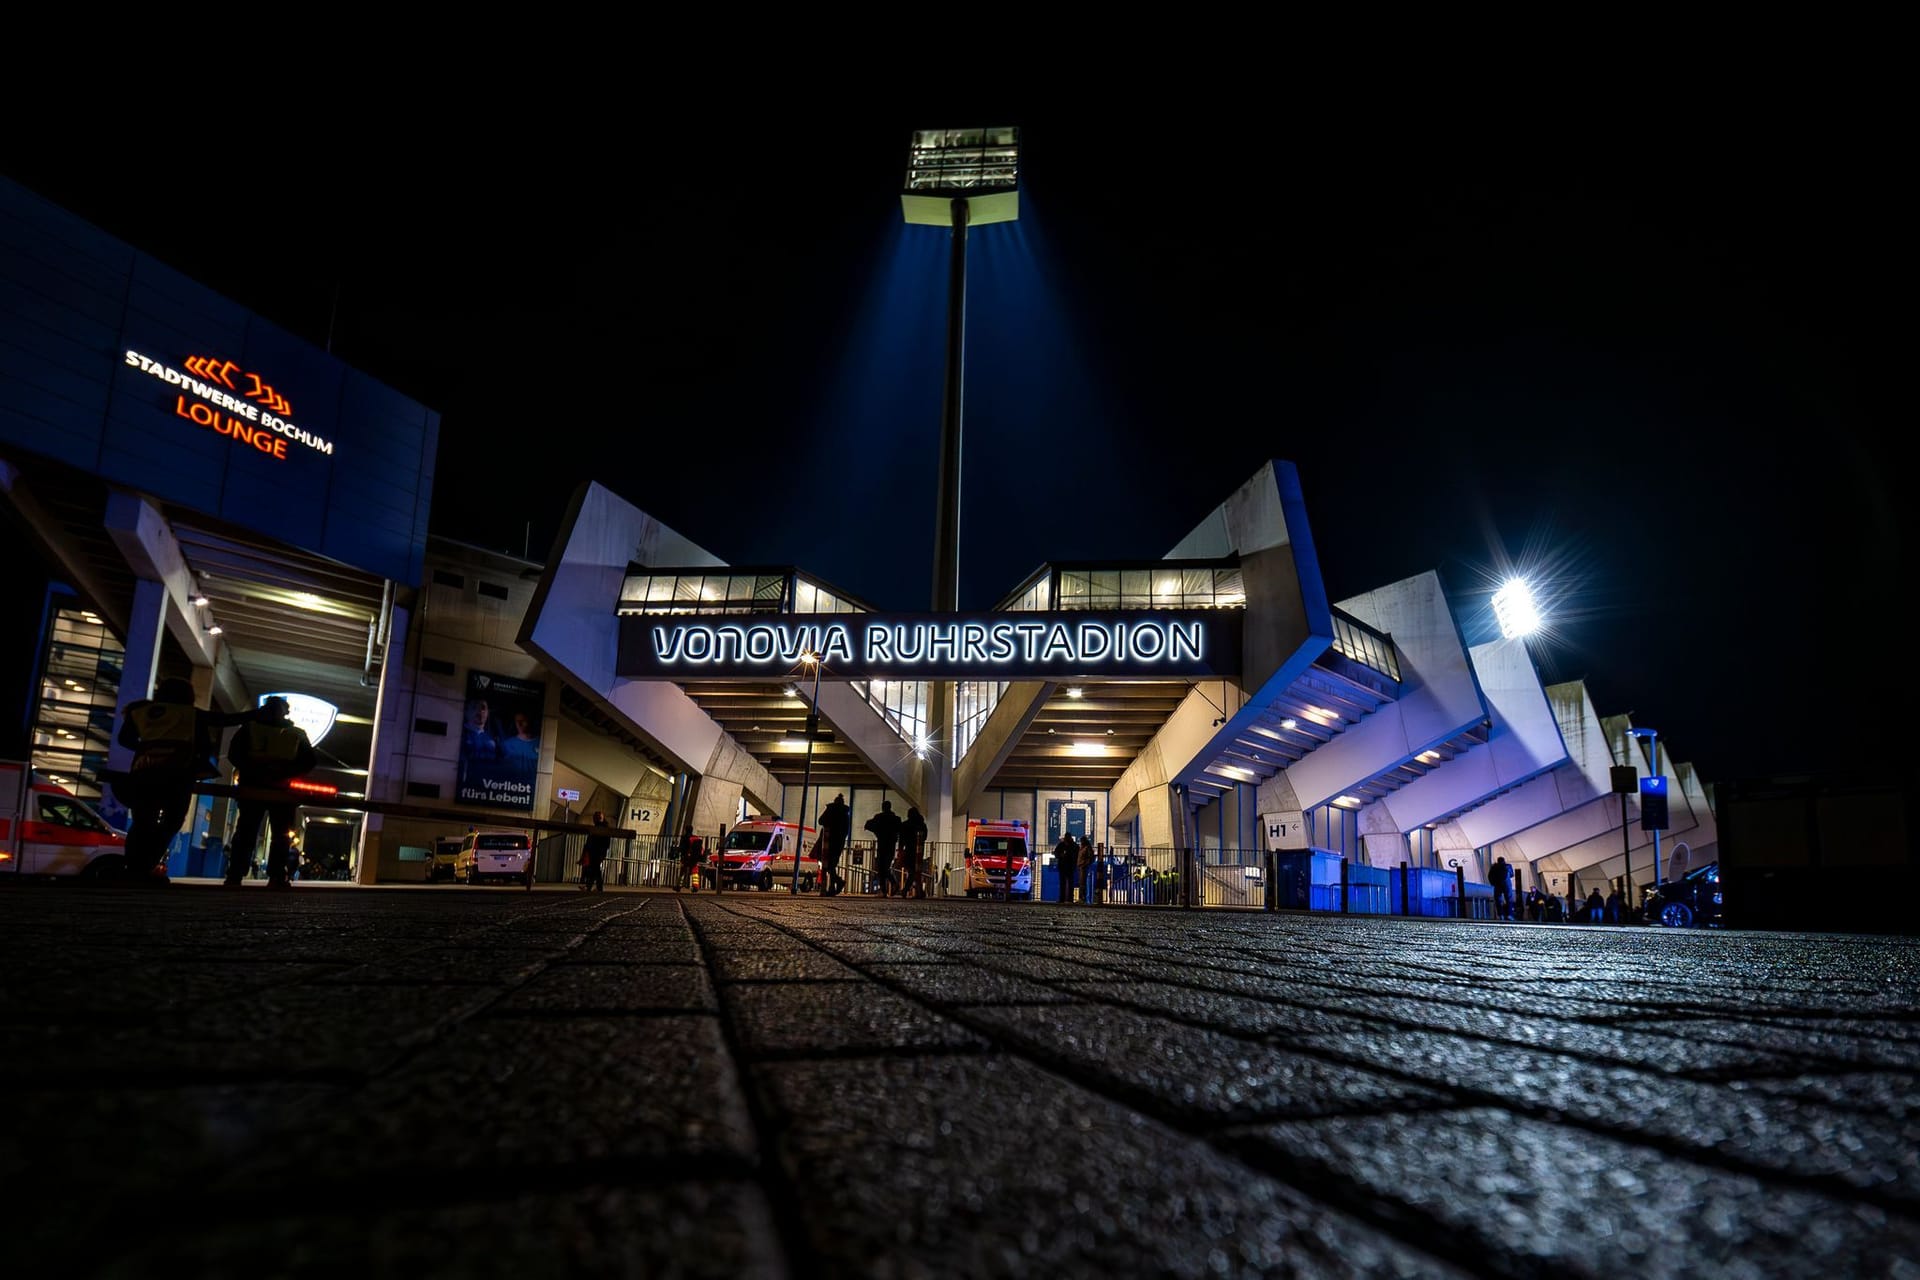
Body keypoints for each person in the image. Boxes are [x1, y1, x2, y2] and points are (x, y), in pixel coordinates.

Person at [110, 677, 247, 885]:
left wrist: (148, 747)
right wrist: (257, 714)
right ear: (188, 696)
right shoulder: (191, 715)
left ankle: (133, 868)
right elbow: (220, 725)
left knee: (141, 822)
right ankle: (145, 867)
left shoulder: (140, 711)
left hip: (143, 774)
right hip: (178, 777)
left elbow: (124, 740)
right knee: (171, 822)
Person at [225, 695, 318, 890]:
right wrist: (285, 772)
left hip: (253, 787)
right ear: (286, 711)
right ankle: (276, 876)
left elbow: (234, 754)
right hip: (282, 790)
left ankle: (235, 874)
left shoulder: (249, 728)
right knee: (281, 835)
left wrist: (253, 769)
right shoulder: (297, 734)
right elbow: (309, 761)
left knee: (246, 832)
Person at [865, 800, 902, 897]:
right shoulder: (896, 819)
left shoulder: (879, 817)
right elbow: (899, 830)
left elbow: (869, 824)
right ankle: (891, 885)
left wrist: (877, 833)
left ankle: (885, 889)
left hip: (882, 844)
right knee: (885, 867)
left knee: (882, 868)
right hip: (891, 845)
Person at [817, 793, 851, 896]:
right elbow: (846, 830)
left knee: (828, 865)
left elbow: (820, 821)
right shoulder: (845, 814)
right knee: (832, 864)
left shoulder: (831, 810)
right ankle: (834, 885)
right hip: (839, 842)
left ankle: (836, 883)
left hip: (829, 840)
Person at [899, 805, 928, 899]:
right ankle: (919, 891)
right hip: (919, 851)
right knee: (916, 872)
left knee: (912, 872)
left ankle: (908, 890)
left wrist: (900, 849)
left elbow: (902, 839)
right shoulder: (922, 825)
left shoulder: (905, 825)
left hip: (909, 850)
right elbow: (924, 837)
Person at [580, 810, 612, 893]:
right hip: (599, 851)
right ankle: (593, 886)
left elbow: (590, 841)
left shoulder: (598, 828)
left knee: (594, 869)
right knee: (595, 869)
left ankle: (591, 886)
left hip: (595, 851)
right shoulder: (605, 828)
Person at [1053, 830, 1078, 904]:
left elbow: (1056, 853)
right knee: (1068, 883)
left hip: (1066, 866)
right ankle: (1068, 899)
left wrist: (1060, 855)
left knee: (1065, 883)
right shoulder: (1074, 845)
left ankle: (1064, 899)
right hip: (1067, 866)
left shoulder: (1064, 845)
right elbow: (1056, 853)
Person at [1076, 835, 1094, 906]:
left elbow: (1090, 857)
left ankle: (1082, 898)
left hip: (1083, 867)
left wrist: (1085, 863)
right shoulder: (1082, 848)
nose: (1080, 842)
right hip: (1081, 866)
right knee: (1081, 883)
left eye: (1081, 841)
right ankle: (1082, 898)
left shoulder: (1086, 848)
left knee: (1082, 883)